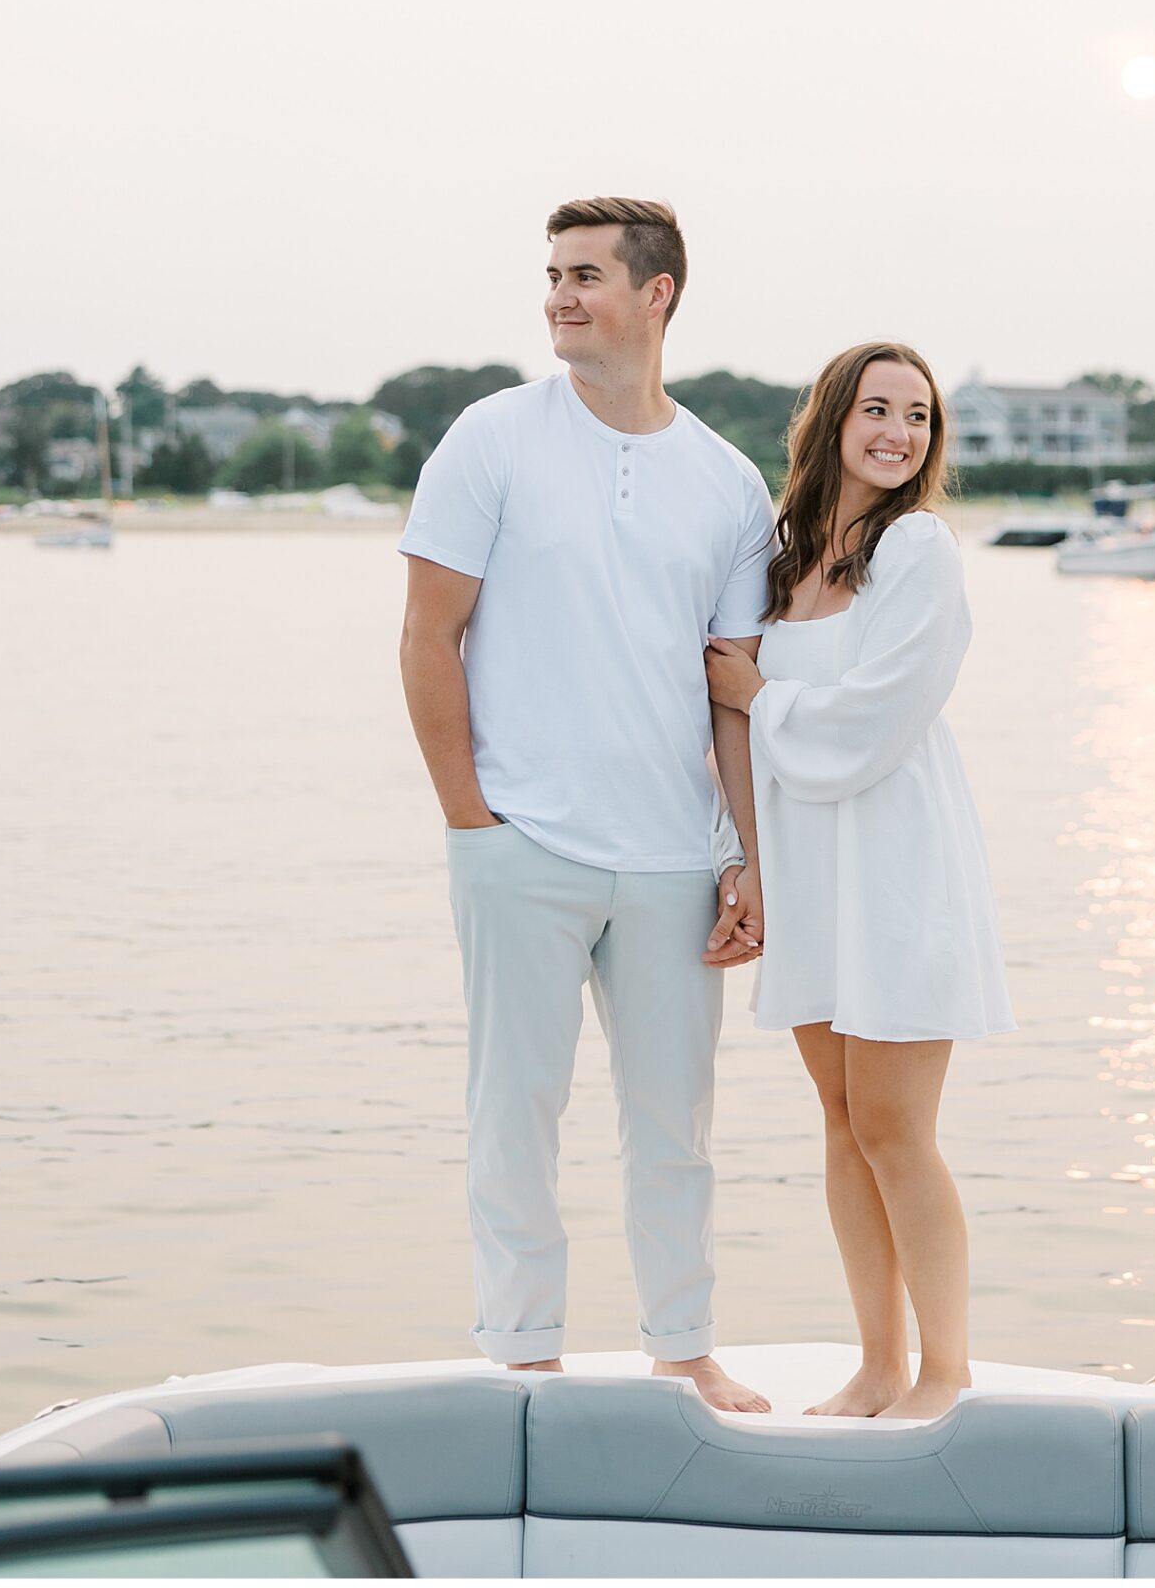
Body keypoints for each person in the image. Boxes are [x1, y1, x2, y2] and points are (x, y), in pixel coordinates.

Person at [398, 196, 776, 1414]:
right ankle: (525, 1356)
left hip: (672, 857)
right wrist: (470, 820)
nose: (559, 295)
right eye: (554, 274)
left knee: (676, 1127)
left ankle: (685, 1349)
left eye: (586, 275)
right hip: (522, 841)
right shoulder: (492, 437)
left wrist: (746, 856)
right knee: (515, 1114)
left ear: (655, 294)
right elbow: (428, 635)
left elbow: (730, 689)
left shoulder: (727, 481)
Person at [705, 342, 1014, 1422]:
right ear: (831, 419)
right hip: (809, 873)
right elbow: (724, 730)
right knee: (841, 1121)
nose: (898, 433)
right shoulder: (781, 561)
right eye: (878, 409)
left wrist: (760, 693)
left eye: (918, 417)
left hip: (894, 867)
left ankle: (944, 1372)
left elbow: (883, 713)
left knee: (894, 1126)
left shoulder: (916, 549)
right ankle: (878, 1364)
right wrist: (740, 861)